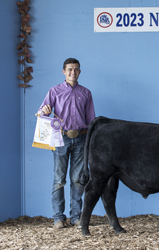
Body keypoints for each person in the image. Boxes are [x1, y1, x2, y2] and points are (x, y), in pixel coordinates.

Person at [38, 58, 95, 229]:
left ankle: (76, 217)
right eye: (70, 69)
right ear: (64, 71)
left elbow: (91, 120)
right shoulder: (54, 91)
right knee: (59, 179)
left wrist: (90, 142)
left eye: (76, 69)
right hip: (60, 139)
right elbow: (41, 114)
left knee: (78, 180)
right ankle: (58, 218)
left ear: (79, 72)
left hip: (80, 139)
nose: (73, 72)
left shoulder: (86, 93)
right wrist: (45, 111)